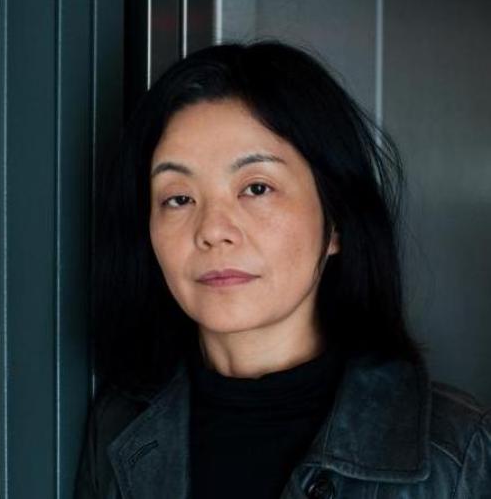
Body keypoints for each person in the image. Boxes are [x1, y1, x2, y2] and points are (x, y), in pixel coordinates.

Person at [74, 40, 491, 499]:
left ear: (336, 222)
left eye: (256, 188)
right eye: (178, 198)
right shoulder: (118, 430)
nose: (212, 230)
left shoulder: (460, 454)